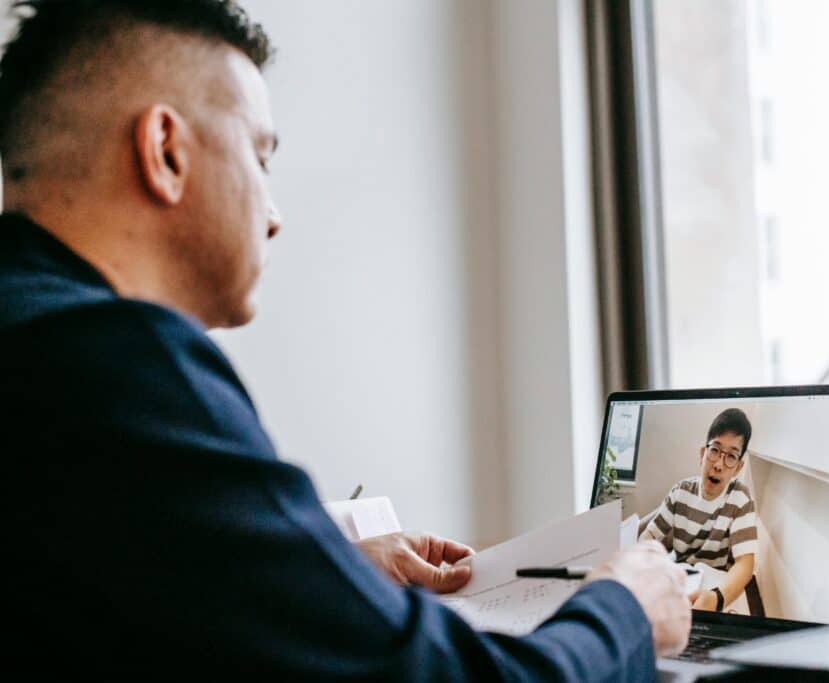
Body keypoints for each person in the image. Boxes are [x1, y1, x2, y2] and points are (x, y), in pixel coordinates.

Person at [0, 0, 692, 679]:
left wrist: (315, 571)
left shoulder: (37, 343)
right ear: (166, 150)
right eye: (260, 156)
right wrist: (625, 610)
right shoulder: (125, 361)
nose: (273, 216)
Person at [639, 408, 757, 614]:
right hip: (679, 582)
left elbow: (745, 565)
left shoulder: (740, 499)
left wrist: (717, 598)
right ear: (703, 454)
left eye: (731, 456)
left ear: (738, 468)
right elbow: (648, 536)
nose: (719, 465)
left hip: (715, 588)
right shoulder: (680, 492)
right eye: (715, 451)